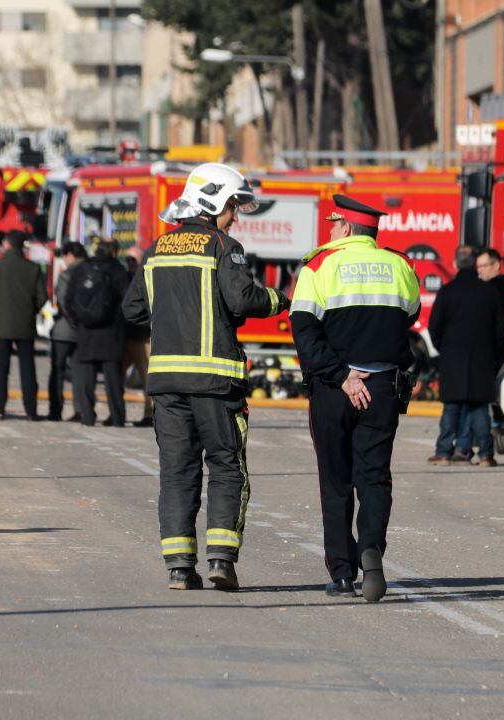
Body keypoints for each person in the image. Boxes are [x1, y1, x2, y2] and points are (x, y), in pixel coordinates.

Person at [123, 163, 289, 591]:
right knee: (227, 468)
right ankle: (220, 562)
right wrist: (281, 299)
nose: (236, 216)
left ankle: (179, 568)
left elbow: (133, 309)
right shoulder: (223, 246)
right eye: (233, 206)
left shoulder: (156, 249)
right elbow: (241, 298)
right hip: (216, 383)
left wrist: (172, 316)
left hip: (166, 384)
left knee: (177, 473)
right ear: (214, 202)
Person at [290, 194, 421, 602]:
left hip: (334, 389)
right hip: (382, 388)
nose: (330, 230)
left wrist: (343, 375)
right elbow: (410, 316)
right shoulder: (400, 265)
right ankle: (371, 550)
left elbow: (305, 332)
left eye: (333, 224)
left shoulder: (319, 265)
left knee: (336, 481)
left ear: (345, 227)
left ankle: (343, 574)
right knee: (375, 477)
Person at [427, 247, 504, 467]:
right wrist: (494, 350)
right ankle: (486, 455)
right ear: (475, 265)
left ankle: (443, 453)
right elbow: (501, 328)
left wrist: (444, 349)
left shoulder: (447, 291)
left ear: (455, 265)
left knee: (451, 408)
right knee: (480, 409)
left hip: (453, 359)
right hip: (482, 360)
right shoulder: (489, 292)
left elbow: (434, 326)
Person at [0, 230, 47, 421]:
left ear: (6, 244)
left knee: (0, 370)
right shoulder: (33, 268)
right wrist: (29, 311)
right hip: (25, 326)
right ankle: (31, 411)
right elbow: (43, 297)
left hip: (0, 326)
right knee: (28, 369)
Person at [64, 236, 130, 427]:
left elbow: (68, 300)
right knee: (113, 380)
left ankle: (87, 416)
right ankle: (117, 417)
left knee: (86, 377)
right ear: (114, 251)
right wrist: (119, 322)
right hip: (111, 332)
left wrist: (78, 322)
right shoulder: (117, 270)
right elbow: (128, 301)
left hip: (86, 332)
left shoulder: (82, 269)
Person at [46, 241, 86, 422]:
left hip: (65, 331)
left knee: (58, 370)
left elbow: (62, 301)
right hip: (86, 330)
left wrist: (72, 321)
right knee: (80, 372)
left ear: (70, 255)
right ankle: (80, 410)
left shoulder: (67, 275)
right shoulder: (92, 271)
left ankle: (56, 410)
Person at [122, 245, 153, 427]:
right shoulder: (124, 278)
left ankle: (149, 414)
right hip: (126, 336)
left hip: (143, 337)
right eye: (127, 259)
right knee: (117, 378)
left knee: (147, 380)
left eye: (133, 259)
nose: (130, 263)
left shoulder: (147, 277)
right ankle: (117, 412)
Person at [477, 247, 504, 329]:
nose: (479, 270)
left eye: (483, 266)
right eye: (478, 267)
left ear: (496, 265)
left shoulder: (499, 286)